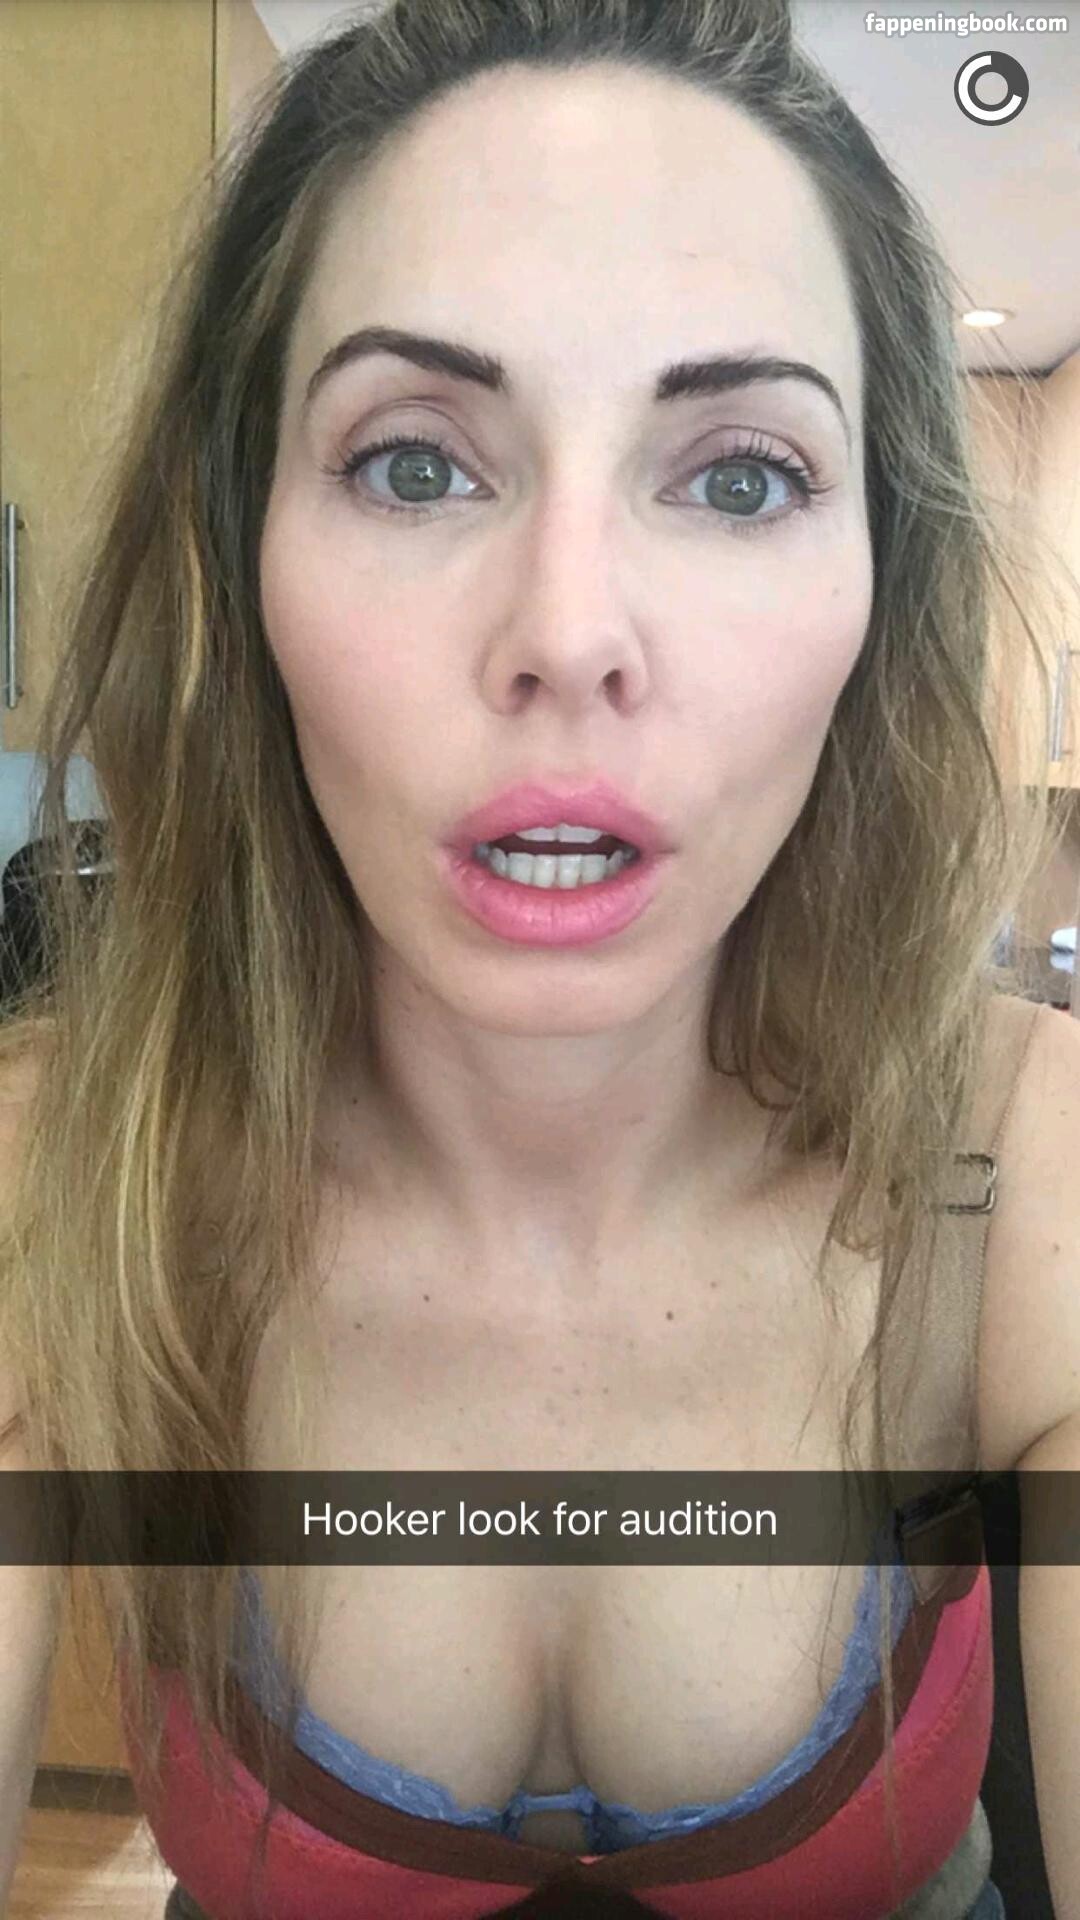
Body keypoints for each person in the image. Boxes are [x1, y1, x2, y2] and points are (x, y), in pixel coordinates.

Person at [1, 1, 1077, 1914]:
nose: (569, 631)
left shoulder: (1036, 1176)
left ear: (880, 588)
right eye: (416, 466)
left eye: (737, 477)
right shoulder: (49, 1181)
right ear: (240, 553)